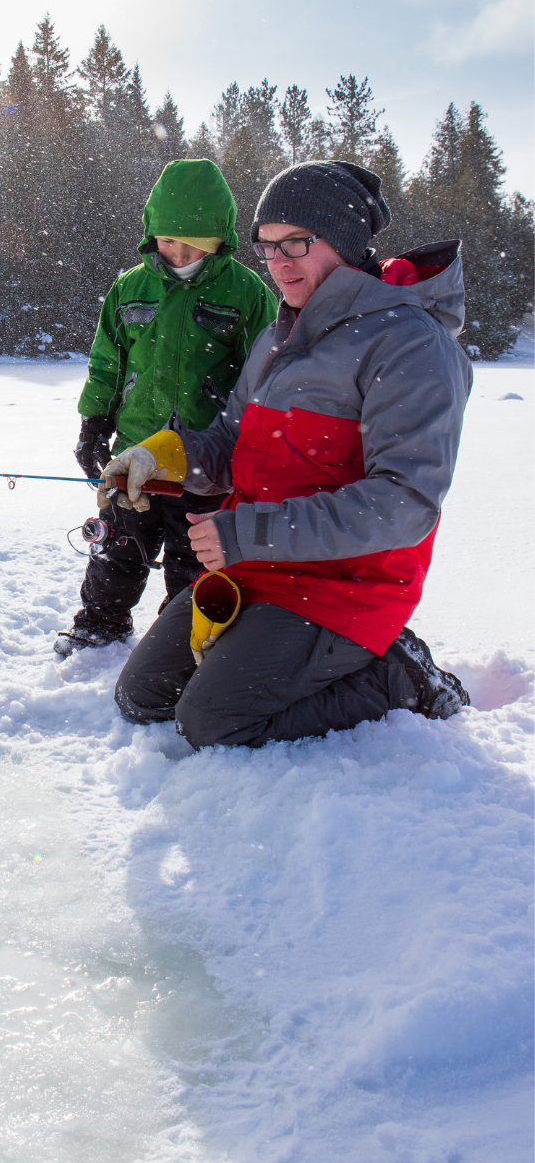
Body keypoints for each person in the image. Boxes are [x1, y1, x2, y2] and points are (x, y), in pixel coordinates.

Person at [102, 159, 472, 747]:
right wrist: (163, 457)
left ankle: (400, 676)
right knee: (143, 696)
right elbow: (231, 441)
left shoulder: (409, 343)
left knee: (215, 722)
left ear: (345, 243)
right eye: (268, 247)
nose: (278, 263)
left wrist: (249, 531)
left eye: (297, 242)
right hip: (253, 569)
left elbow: (404, 505)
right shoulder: (281, 335)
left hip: (344, 586)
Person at [55, 159, 277, 657]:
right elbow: (106, 363)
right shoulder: (130, 287)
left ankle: (178, 640)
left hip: (204, 460)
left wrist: (250, 450)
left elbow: (260, 377)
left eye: (192, 242)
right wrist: (93, 424)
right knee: (116, 548)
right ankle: (99, 624)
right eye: (167, 239)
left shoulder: (247, 294)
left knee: (194, 559)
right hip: (134, 453)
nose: (177, 253)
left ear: (221, 237)